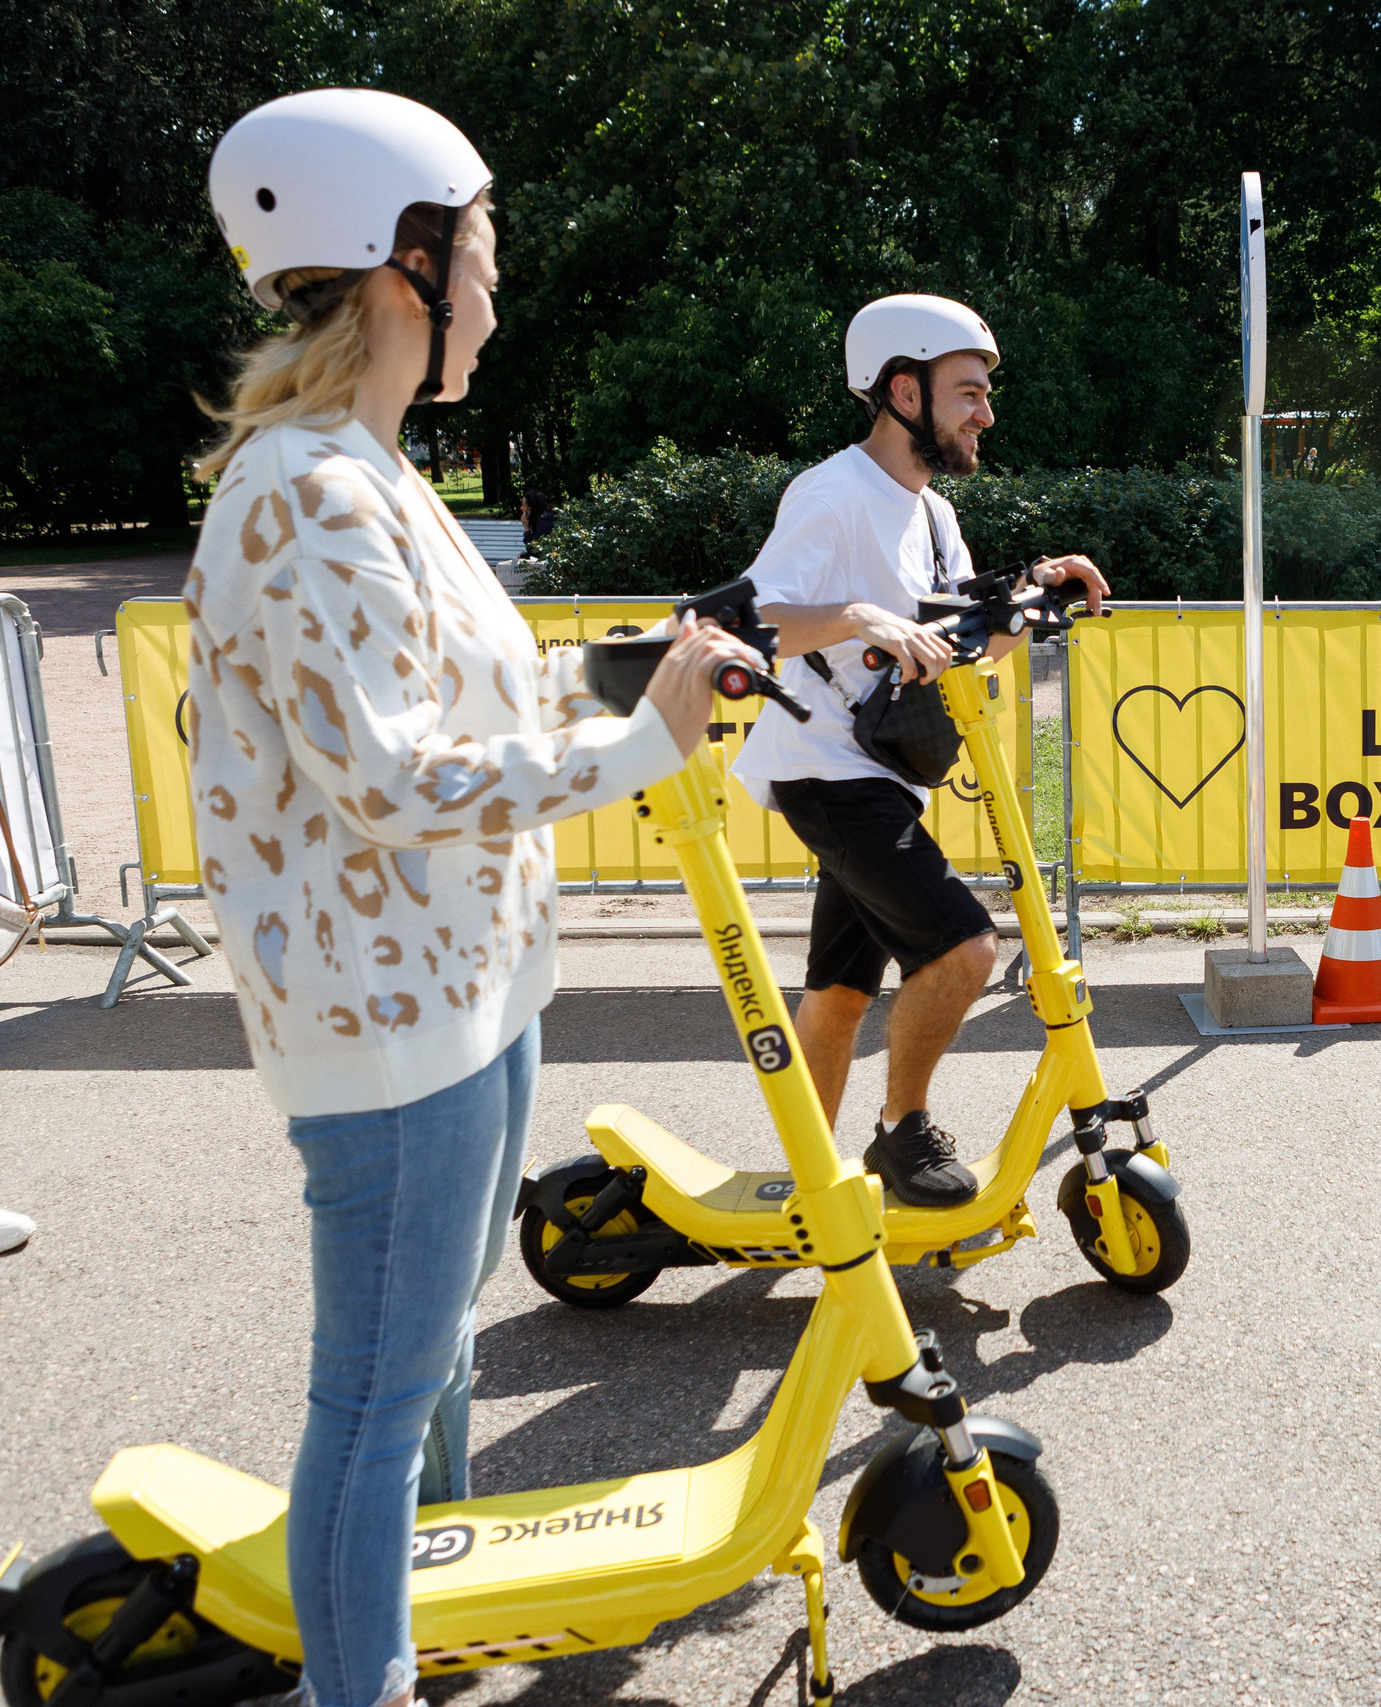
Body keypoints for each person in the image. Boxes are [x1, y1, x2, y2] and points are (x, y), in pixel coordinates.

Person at [190, 89, 760, 1707]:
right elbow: (400, 775)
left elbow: (477, 706)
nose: (498, 296)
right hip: (388, 1029)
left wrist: (654, 670)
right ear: (403, 264)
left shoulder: (371, 472)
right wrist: (648, 743)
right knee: (373, 1395)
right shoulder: (302, 489)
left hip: (467, 991)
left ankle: (422, 1623)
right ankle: (351, 1686)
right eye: (484, 256)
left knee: (430, 1364)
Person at [730, 295, 1105, 1207]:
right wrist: (859, 616)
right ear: (904, 390)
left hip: (881, 776)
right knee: (967, 951)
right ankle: (902, 1131)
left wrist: (1035, 589)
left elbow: (961, 643)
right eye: (968, 391)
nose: (986, 411)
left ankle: (814, 1173)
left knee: (842, 990)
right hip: (826, 767)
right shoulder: (833, 494)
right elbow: (751, 618)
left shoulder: (932, 514)